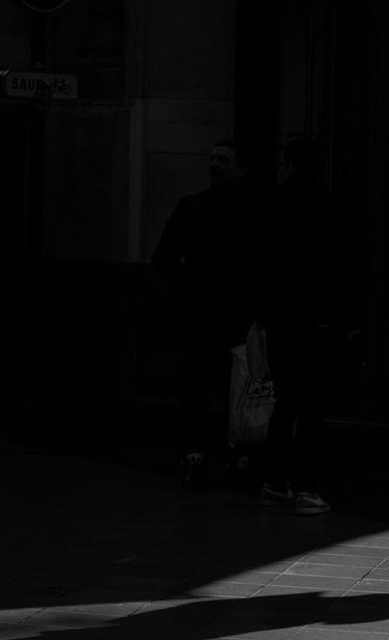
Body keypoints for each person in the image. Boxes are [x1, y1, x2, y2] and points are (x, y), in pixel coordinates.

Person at [151, 140, 261, 492]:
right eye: (212, 159)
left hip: (233, 315)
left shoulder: (252, 210)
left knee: (237, 390)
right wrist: (196, 289)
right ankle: (198, 459)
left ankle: (231, 458)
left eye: (223, 160)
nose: (214, 164)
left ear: (239, 168)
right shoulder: (194, 207)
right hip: (210, 314)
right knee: (203, 389)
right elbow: (163, 257)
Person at [256, 138, 356, 515]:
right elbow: (348, 266)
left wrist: (263, 315)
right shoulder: (333, 207)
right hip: (318, 319)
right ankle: (306, 488)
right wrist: (348, 319)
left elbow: (260, 264)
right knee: (311, 406)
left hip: (282, 319)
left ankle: (275, 482)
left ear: (292, 166)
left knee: (285, 402)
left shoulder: (272, 205)